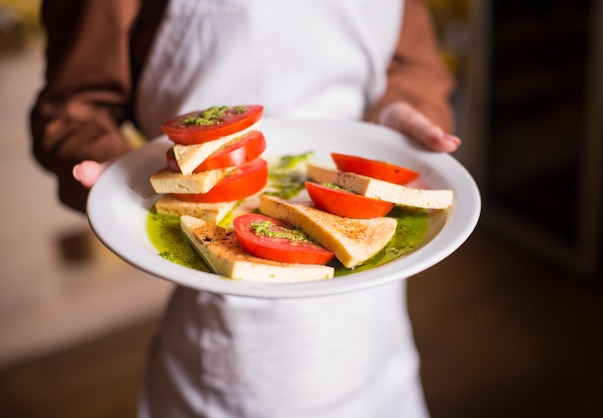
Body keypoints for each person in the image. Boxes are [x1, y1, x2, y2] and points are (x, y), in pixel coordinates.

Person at [31, 1, 460, 417]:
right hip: (226, 341)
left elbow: (411, 62)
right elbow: (71, 110)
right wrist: (121, 176)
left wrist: (407, 111)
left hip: (376, 303)